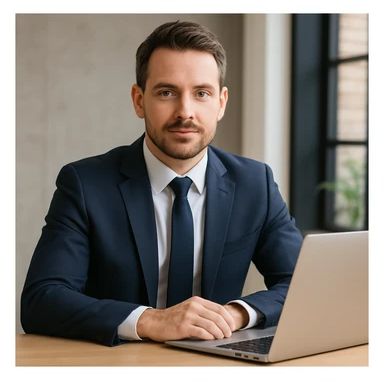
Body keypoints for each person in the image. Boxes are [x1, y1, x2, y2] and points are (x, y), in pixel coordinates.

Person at [20, 20, 303, 347]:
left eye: (202, 93)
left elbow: (301, 284)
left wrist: (238, 313)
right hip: (116, 365)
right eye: (167, 92)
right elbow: (42, 300)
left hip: (218, 364)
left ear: (221, 102)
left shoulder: (256, 184)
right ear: (139, 100)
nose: (186, 112)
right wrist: (152, 320)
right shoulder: (85, 185)